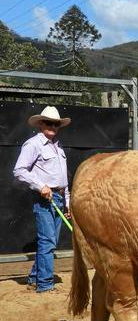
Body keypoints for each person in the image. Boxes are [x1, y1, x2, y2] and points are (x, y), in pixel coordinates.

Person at [13, 106, 71, 293]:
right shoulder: (33, 144)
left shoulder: (58, 146)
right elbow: (19, 170)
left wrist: (68, 202)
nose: (52, 126)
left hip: (60, 198)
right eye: (49, 123)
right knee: (48, 241)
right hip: (44, 198)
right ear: (41, 124)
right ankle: (45, 284)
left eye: (56, 123)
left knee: (49, 241)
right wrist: (40, 186)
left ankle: (34, 278)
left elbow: (63, 179)